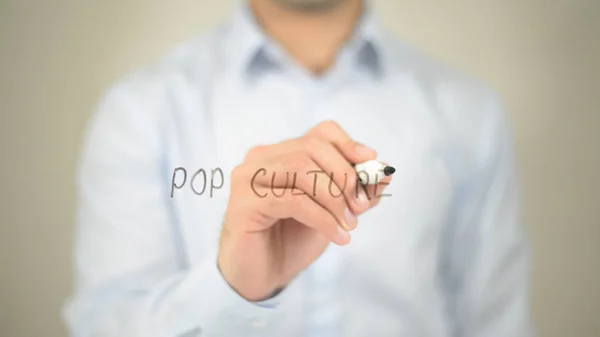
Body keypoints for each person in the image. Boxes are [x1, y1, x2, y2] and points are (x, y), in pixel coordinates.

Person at [62, 0, 534, 336]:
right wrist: (231, 287)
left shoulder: (469, 113)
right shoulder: (141, 110)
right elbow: (106, 326)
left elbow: (496, 322)